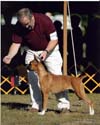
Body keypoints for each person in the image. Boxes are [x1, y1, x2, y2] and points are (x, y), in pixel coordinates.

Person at [3, 8, 70, 112]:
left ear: (32, 17)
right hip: (32, 50)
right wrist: (9, 56)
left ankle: (63, 105)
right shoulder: (19, 26)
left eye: (27, 24)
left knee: (57, 75)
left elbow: (54, 40)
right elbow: (16, 44)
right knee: (32, 77)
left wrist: (46, 51)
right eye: (23, 25)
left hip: (50, 48)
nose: (26, 27)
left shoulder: (45, 20)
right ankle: (36, 104)